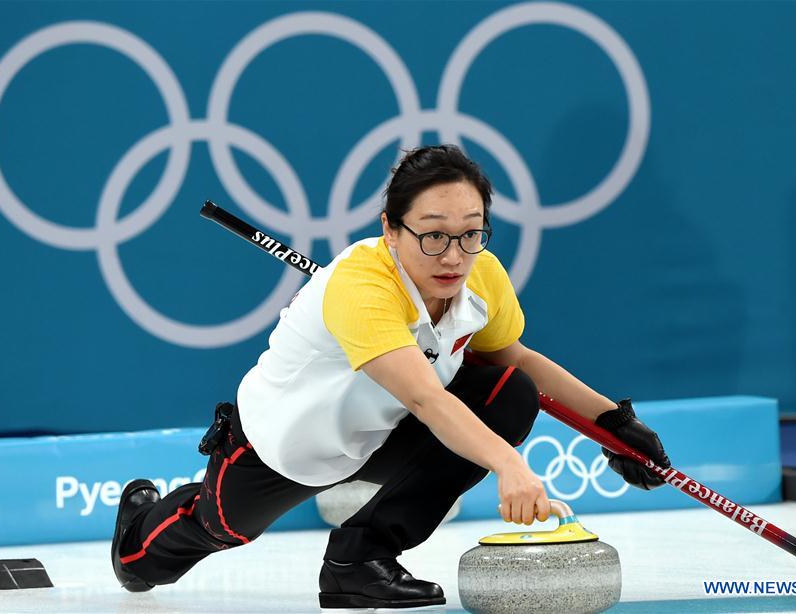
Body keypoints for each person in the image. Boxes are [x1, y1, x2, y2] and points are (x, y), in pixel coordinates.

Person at [111, 145, 670, 609]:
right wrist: (510, 465)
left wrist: (612, 422)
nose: (453, 255)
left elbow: (516, 360)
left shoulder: (481, 275)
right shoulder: (363, 286)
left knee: (508, 395)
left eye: (471, 233)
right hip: (286, 445)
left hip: (383, 431)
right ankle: (136, 542)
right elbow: (427, 398)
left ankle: (358, 558)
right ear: (391, 229)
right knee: (216, 528)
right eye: (432, 234)